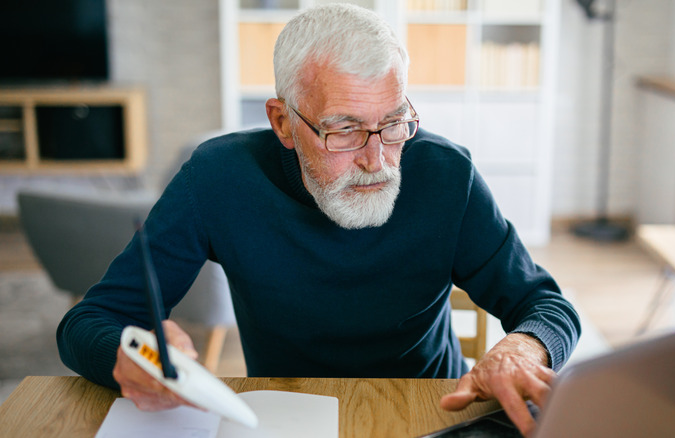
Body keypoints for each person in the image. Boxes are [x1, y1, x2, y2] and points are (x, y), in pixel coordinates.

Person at [57, 3, 580, 435]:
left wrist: (522, 346)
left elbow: (547, 305)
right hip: (285, 418)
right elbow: (87, 323)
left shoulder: (448, 175)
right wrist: (128, 356)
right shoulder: (217, 179)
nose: (376, 160)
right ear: (282, 121)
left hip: (430, 418)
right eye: (344, 130)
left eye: (394, 122)